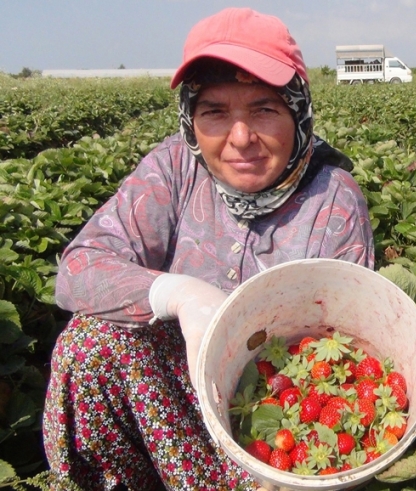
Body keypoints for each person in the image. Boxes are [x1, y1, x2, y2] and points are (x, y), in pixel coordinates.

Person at [42, 8, 374, 490]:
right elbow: (77, 269)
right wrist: (180, 295)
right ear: (190, 119)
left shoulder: (333, 199)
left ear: (298, 111)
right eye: (215, 112)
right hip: (174, 402)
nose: (242, 139)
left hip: (281, 419)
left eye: (264, 109)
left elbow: (347, 350)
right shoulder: (174, 169)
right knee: (87, 342)